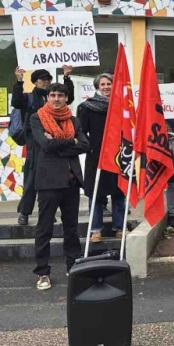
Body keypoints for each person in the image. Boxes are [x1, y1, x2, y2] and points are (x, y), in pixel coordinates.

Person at [29, 82, 89, 290]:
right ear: (47, 97)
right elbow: (45, 145)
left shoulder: (73, 120)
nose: (56, 99)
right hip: (48, 181)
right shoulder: (37, 118)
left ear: (66, 98)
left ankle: (73, 266)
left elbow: (85, 145)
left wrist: (58, 142)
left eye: (60, 96)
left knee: (71, 228)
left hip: (71, 181)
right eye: (52, 95)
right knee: (44, 228)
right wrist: (71, 142)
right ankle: (42, 272)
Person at [12, 65, 74, 226]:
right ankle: (24, 213)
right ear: (35, 82)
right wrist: (19, 81)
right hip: (35, 145)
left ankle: (48, 212)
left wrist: (67, 78)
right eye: (43, 80)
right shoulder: (29, 98)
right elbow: (16, 102)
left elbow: (69, 97)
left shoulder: (53, 98)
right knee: (32, 180)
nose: (46, 82)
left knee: (50, 181)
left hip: (52, 144)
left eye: (48, 79)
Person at [77, 73, 125, 243]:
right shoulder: (87, 107)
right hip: (96, 156)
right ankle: (95, 230)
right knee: (95, 193)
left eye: (109, 83)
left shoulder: (121, 105)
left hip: (119, 155)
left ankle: (119, 227)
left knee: (119, 192)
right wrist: (91, 146)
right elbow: (80, 131)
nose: (106, 87)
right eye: (102, 84)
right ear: (97, 86)